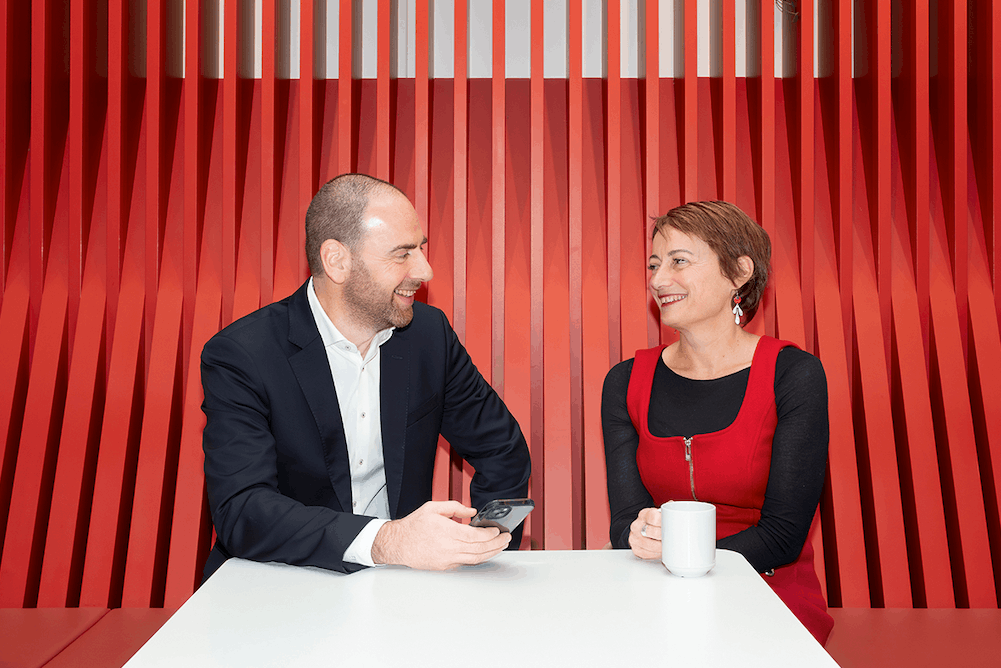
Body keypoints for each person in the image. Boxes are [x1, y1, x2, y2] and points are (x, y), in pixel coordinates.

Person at [200, 173, 531, 578]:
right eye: (402, 254)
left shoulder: (429, 336)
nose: (425, 270)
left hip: (400, 583)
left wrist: (482, 540)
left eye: (421, 249)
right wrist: (387, 541)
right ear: (337, 261)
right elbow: (243, 509)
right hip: (278, 580)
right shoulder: (242, 355)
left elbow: (502, 449)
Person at [602, 200, 833, 644]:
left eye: (679, 261)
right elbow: (626, 522)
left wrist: (681, 556)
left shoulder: (793, 374)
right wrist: (643, 539)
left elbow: (783, 536)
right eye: (654, 264)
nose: (658, 280)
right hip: (658, 593)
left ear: (739, 272)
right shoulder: (625, 382)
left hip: (768, 593)